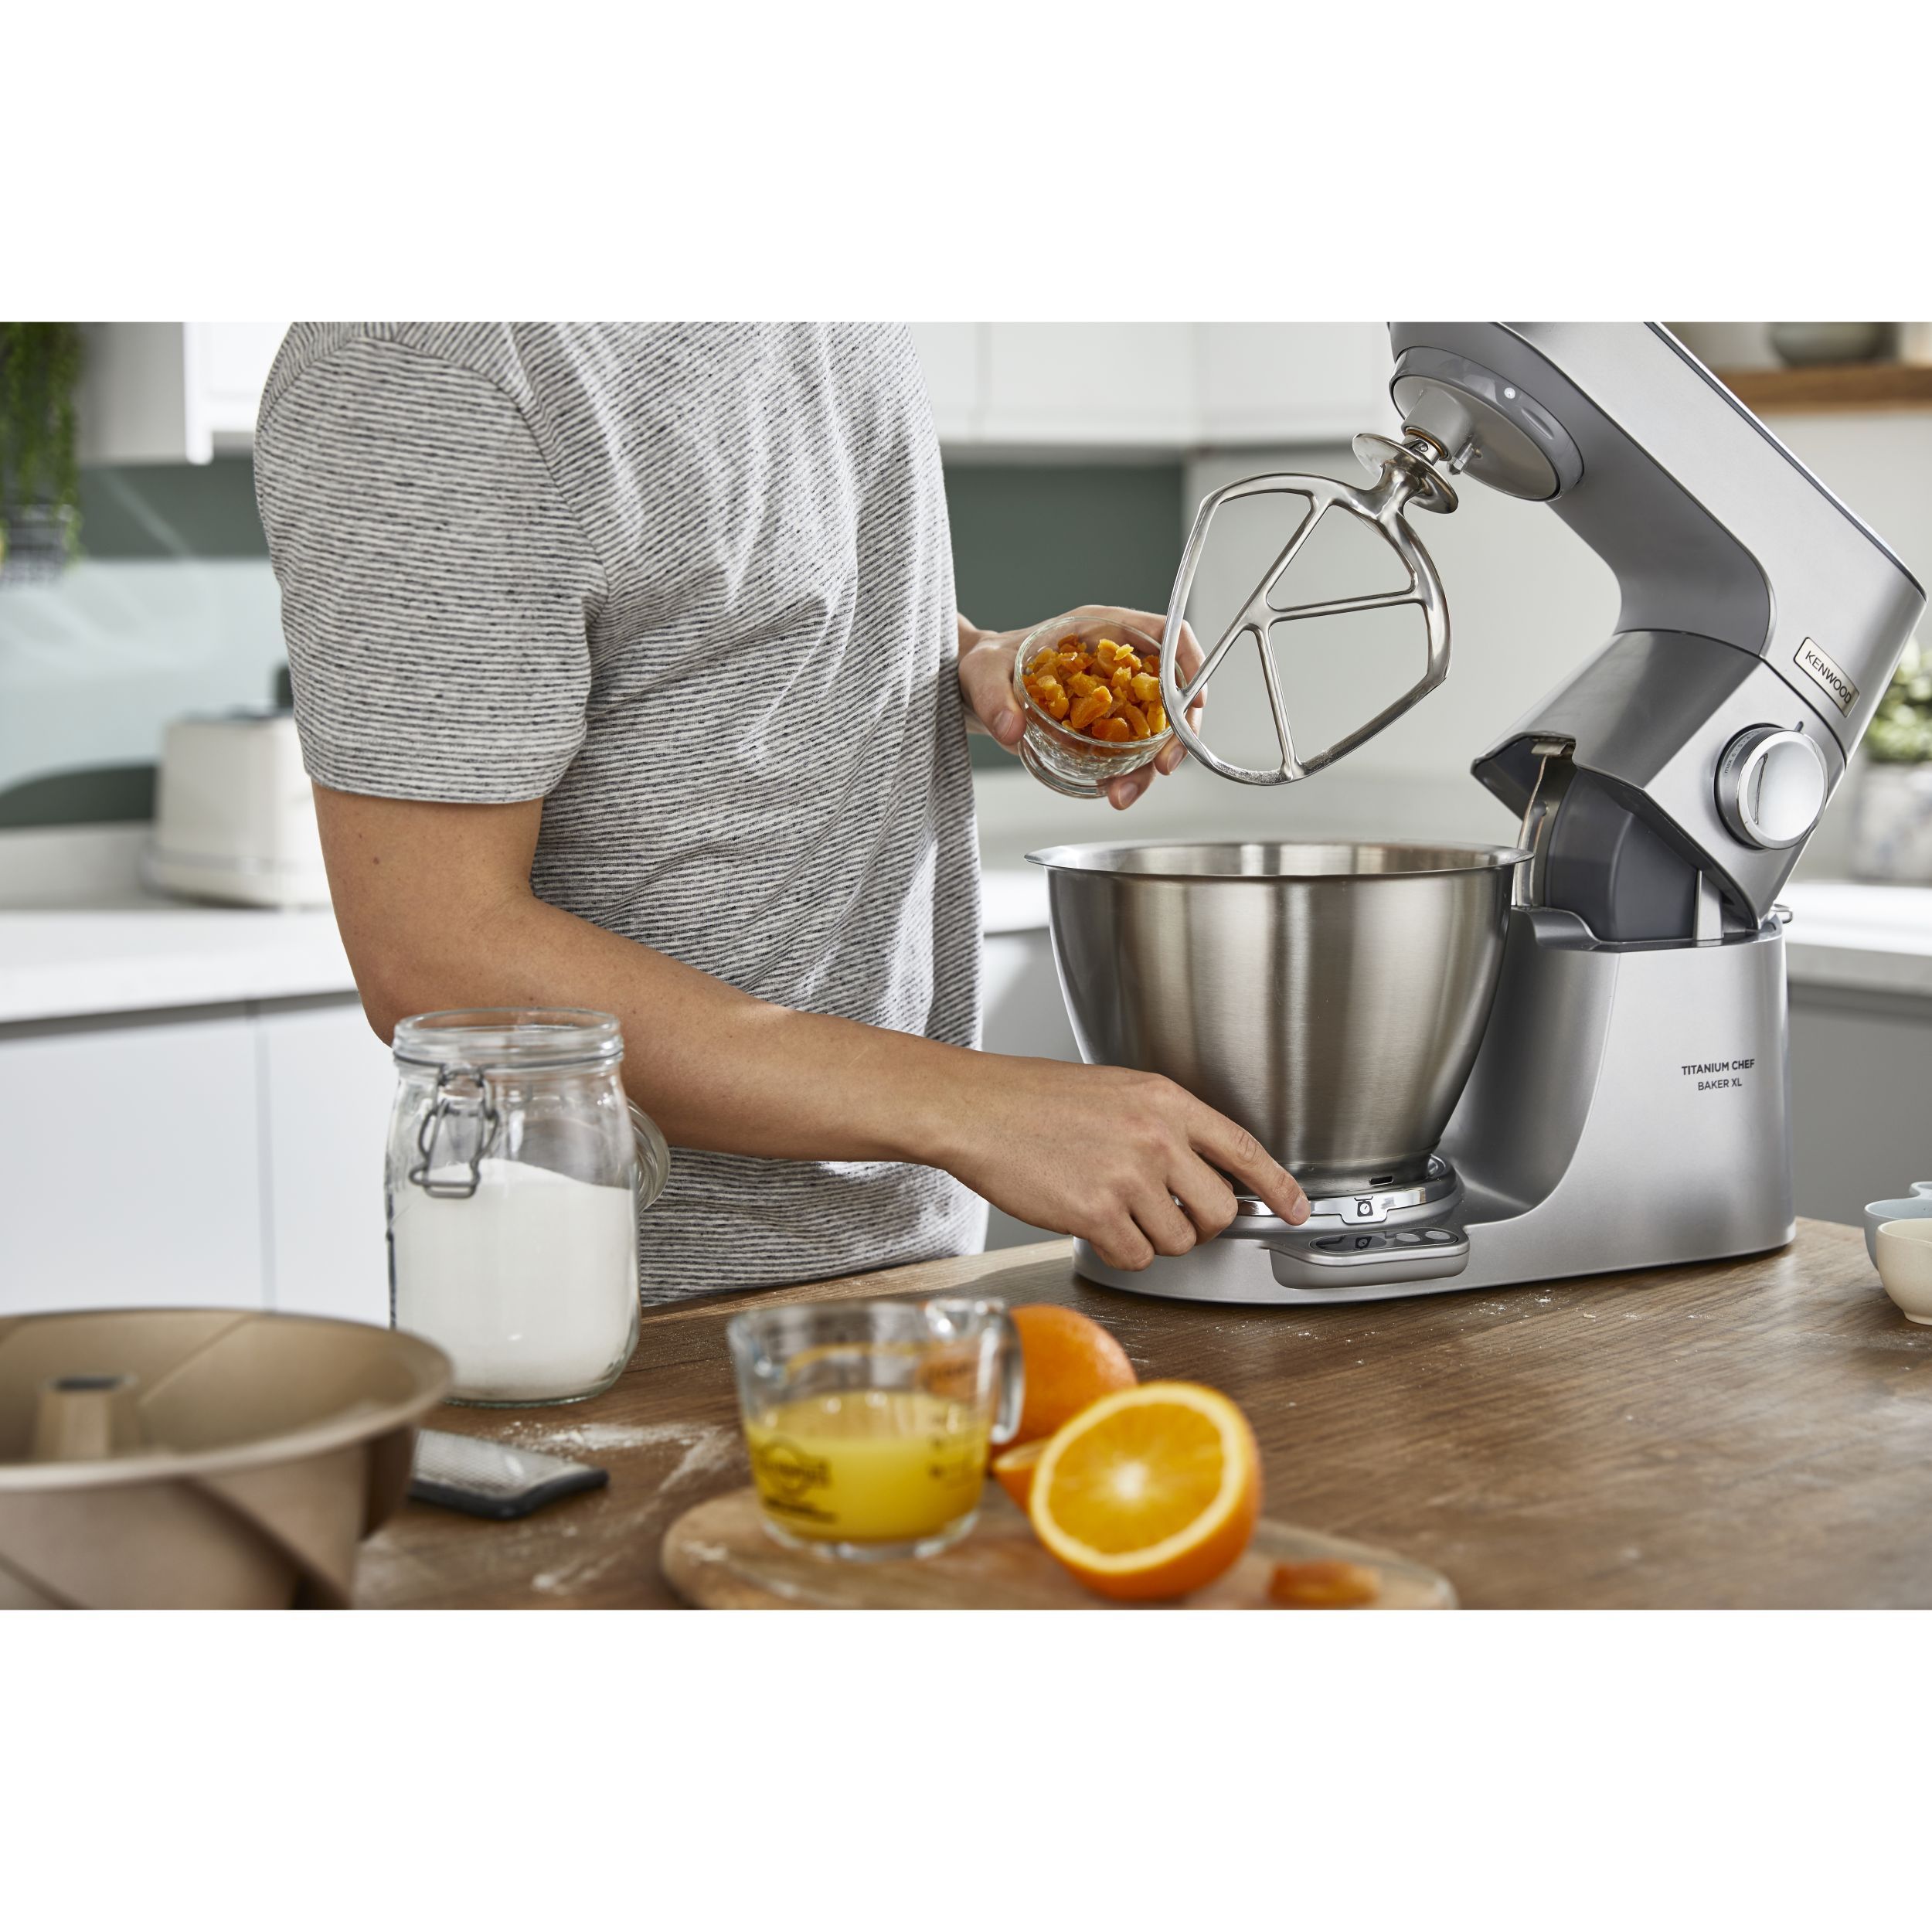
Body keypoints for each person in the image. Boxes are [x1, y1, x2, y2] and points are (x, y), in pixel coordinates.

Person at [253, 323, 1308, 1303]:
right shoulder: (426, 367)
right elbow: (432, 954)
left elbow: (726, 593)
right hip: (621, 1311)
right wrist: (974, 1105)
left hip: (909, 1262)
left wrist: (975, 654)